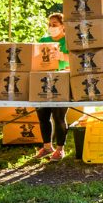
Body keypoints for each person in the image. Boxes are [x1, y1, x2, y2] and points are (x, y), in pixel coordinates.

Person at [33, 13, 70, 161]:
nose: (51, 27)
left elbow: (75, 61)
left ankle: (60, 149)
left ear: (63, 25)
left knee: (58, 116)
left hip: (61, 81)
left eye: (54, 24)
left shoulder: (68, 41)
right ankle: (47, 147)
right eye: (50, 24)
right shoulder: (43, 41)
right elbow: (35, 60)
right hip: (42, 80)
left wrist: (62, 56)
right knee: (43, 116)